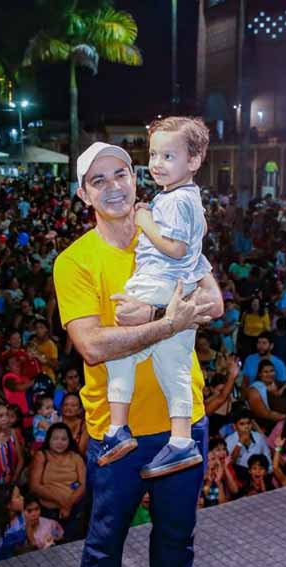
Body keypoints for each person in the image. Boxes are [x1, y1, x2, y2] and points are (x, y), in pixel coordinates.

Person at [54, 141, 220, 567]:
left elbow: (213, 301)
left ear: (136, 177)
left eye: (120, 173)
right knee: (105, 541)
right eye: (98, 180)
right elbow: (92, 344)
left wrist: (149, 321)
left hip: (181, 419)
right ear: (84, 195)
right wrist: (172, 321)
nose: (113, 186)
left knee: (177, 534)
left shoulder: (174, 233)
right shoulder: (75, 261)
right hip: (114, 428)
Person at [99, 117, 213, 477]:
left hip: (158, 281)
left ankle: (117, 429)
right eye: (153, 155)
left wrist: (145, 222)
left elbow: (177, 249)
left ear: (194, 161)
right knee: (175, 368)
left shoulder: (176, 200)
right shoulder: (186, 198)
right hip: (180, 288)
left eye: (168, 155)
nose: (157, 163)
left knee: (120, 349)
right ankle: (181, 441)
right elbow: (196, 238)